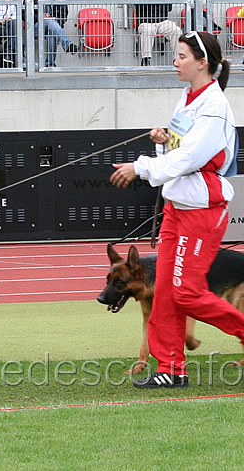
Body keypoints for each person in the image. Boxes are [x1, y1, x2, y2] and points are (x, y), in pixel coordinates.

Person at [110, 31, 244, 388]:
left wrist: (139, 167)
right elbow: (178, 150)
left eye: (182, 56)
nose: (175, 61)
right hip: (177, 207)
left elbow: (192, 157)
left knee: (185, 292)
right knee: (167, 292)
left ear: (202, 62)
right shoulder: (187, 98)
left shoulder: (214, 106)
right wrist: (163, 141)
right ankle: (171, 369)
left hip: (202, 209)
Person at [25, 0, 77, 68]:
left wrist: (56, 24)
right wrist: (40, 16)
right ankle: (67, 44)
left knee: (52, 33)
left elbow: (64, 14)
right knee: (49, 21)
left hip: (54, 28)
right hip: (35, 27)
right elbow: (24, 14)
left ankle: (50, 65)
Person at [133, 0, 182, 67]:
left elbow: (169, 7)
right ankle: (146, 59)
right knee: (148, 30)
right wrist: (158, 4)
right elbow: (139, 6)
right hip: (145, 22)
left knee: (176, 30)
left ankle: (177, 58)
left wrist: (150, 4)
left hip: (162, 21)